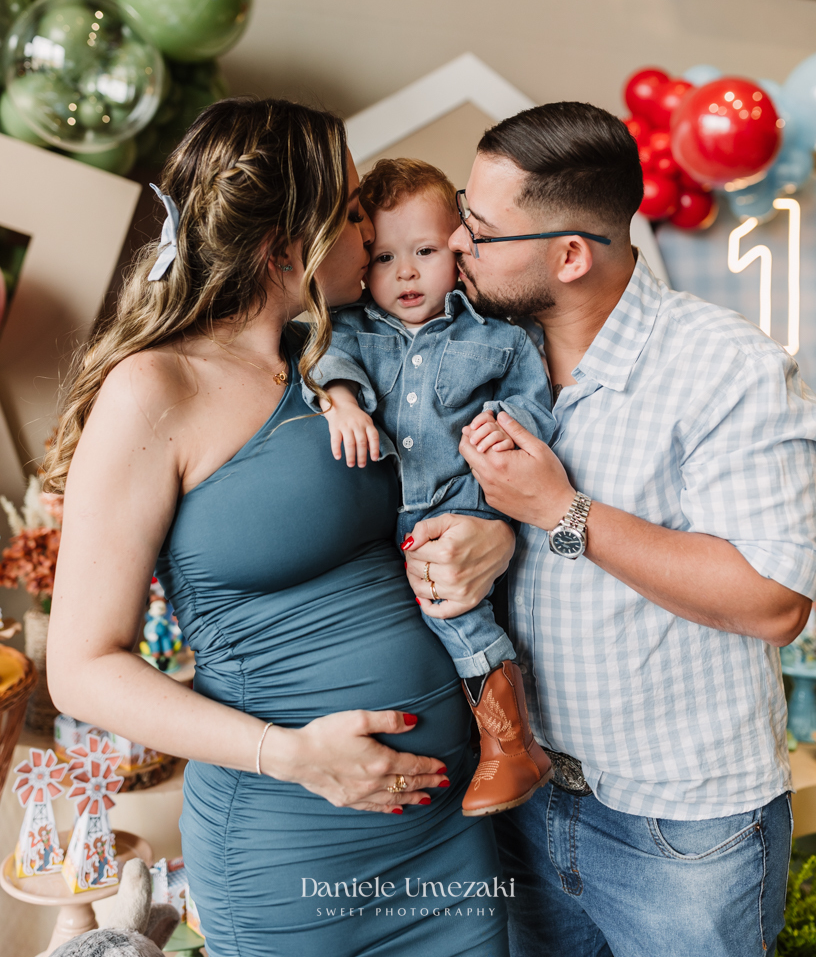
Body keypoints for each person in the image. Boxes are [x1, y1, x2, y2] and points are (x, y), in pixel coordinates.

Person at [45, 99, 514, 957]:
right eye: (348, 209)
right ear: (283, 243)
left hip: (444, 833)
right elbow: (80, 670)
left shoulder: (353, 356)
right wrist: (291, 755)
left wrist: (503, 537)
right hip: (292, 841)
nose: (368, 226)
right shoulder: (158, 389)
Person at [402, 100, 816, 957]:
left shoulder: (723, 366)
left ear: (570, 255)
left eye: (479, 230)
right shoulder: (475, 346)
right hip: (526, 801)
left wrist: (561, 512)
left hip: (682, 832)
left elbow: (775, 599)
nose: (457, 248)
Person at [303, 157, 560, 815]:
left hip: (459, 506)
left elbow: (532, 401)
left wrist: (505, 431)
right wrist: (341, 400)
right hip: (382, 518)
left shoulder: (499, 337)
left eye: (424, 252)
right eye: (384, 257)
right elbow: (319, 353)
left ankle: (513, 747)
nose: (406, 273)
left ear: (457, 248)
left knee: (456, 609)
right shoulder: (355, 329)